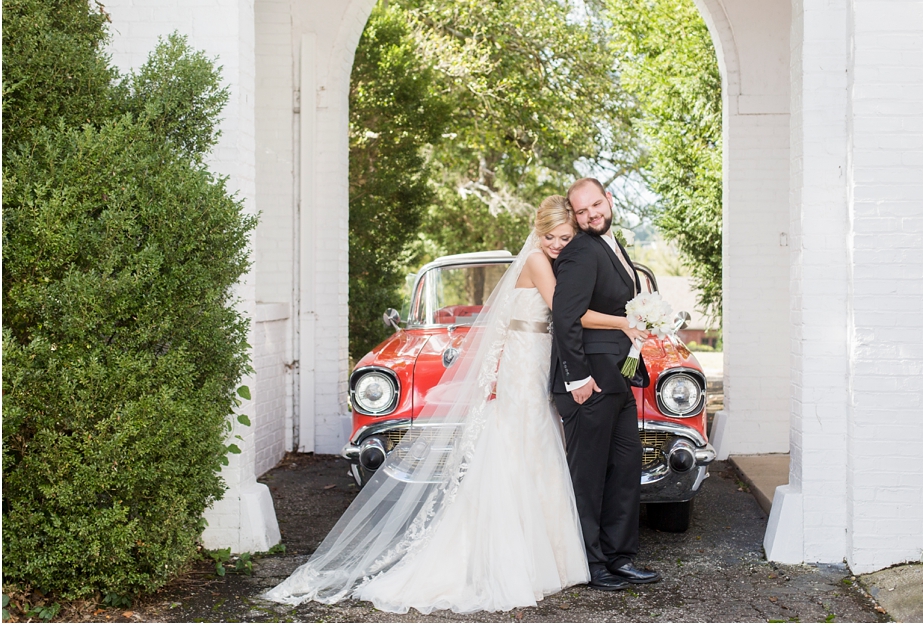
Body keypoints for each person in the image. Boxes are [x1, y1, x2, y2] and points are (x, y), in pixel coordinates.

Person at [263, 195, 640, 613]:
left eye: (564, 237)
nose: (556, 244)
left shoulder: (552, 263)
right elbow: (568, 312)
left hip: (534, 358)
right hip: (526, 362)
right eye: (549, 235)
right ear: (537, 232)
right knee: (523, 444)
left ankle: (545, 552)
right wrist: (626, 320)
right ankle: (516, 555)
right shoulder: (537, 261)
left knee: (536, 446)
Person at [550, 177, 661, 591]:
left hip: (617, 376)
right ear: (575, 216)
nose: (591, 215)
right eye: (581, 211)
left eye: (595, 205)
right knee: (589, 476)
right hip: (590, 381)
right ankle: (591, 563)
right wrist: (576, 377)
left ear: (608, 200)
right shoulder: (581, 250)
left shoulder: (612, 245)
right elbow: (566, 316)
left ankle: (620, 557)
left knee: (624, 469)